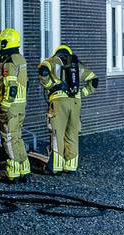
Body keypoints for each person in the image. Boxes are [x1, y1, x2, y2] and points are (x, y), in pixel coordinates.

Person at [38, 44, 98, 174]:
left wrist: (49, 86)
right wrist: (81, 93)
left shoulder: (52, 61)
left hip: (59, 101)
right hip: (76, 103)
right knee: (72, 134)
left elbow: (43, 70)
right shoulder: (77, 65)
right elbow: (94, 80)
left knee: (57, 133)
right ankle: (70, 166)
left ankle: (56, 167)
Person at [0, 28, 30, 183]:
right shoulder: (20, 59)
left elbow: (11, 87)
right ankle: (24, 169)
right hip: (21, 106)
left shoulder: (9, 63)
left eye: (1, 41)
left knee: (8, 137)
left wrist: (5, 107)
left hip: (11, 107)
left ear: (5, 42)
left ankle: (13, 173)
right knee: (17, 137)